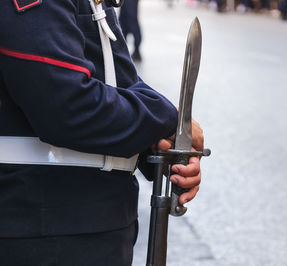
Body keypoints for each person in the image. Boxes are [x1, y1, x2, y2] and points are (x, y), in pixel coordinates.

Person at [0, 1, 204, 266]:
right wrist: (167, 119)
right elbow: (69, 106)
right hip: (46, 228)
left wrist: (163, 146)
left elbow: (121, 83)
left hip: (87, 223)